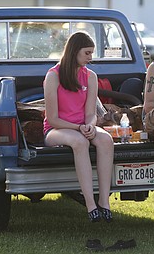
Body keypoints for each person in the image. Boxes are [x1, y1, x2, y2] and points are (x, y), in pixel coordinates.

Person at [43, 31, 114, 222]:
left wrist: (90, 125)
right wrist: (79, 128)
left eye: (92, 53)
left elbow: (91, 113)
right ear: (74, 51)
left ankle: (104, 202)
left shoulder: (90, 76)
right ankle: (90, 205)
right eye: (87, 53)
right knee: (80, 141)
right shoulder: (53, 76)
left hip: (81, 128)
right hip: (56, 130)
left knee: (106, 140)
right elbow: (53, 119)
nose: (91, 58)